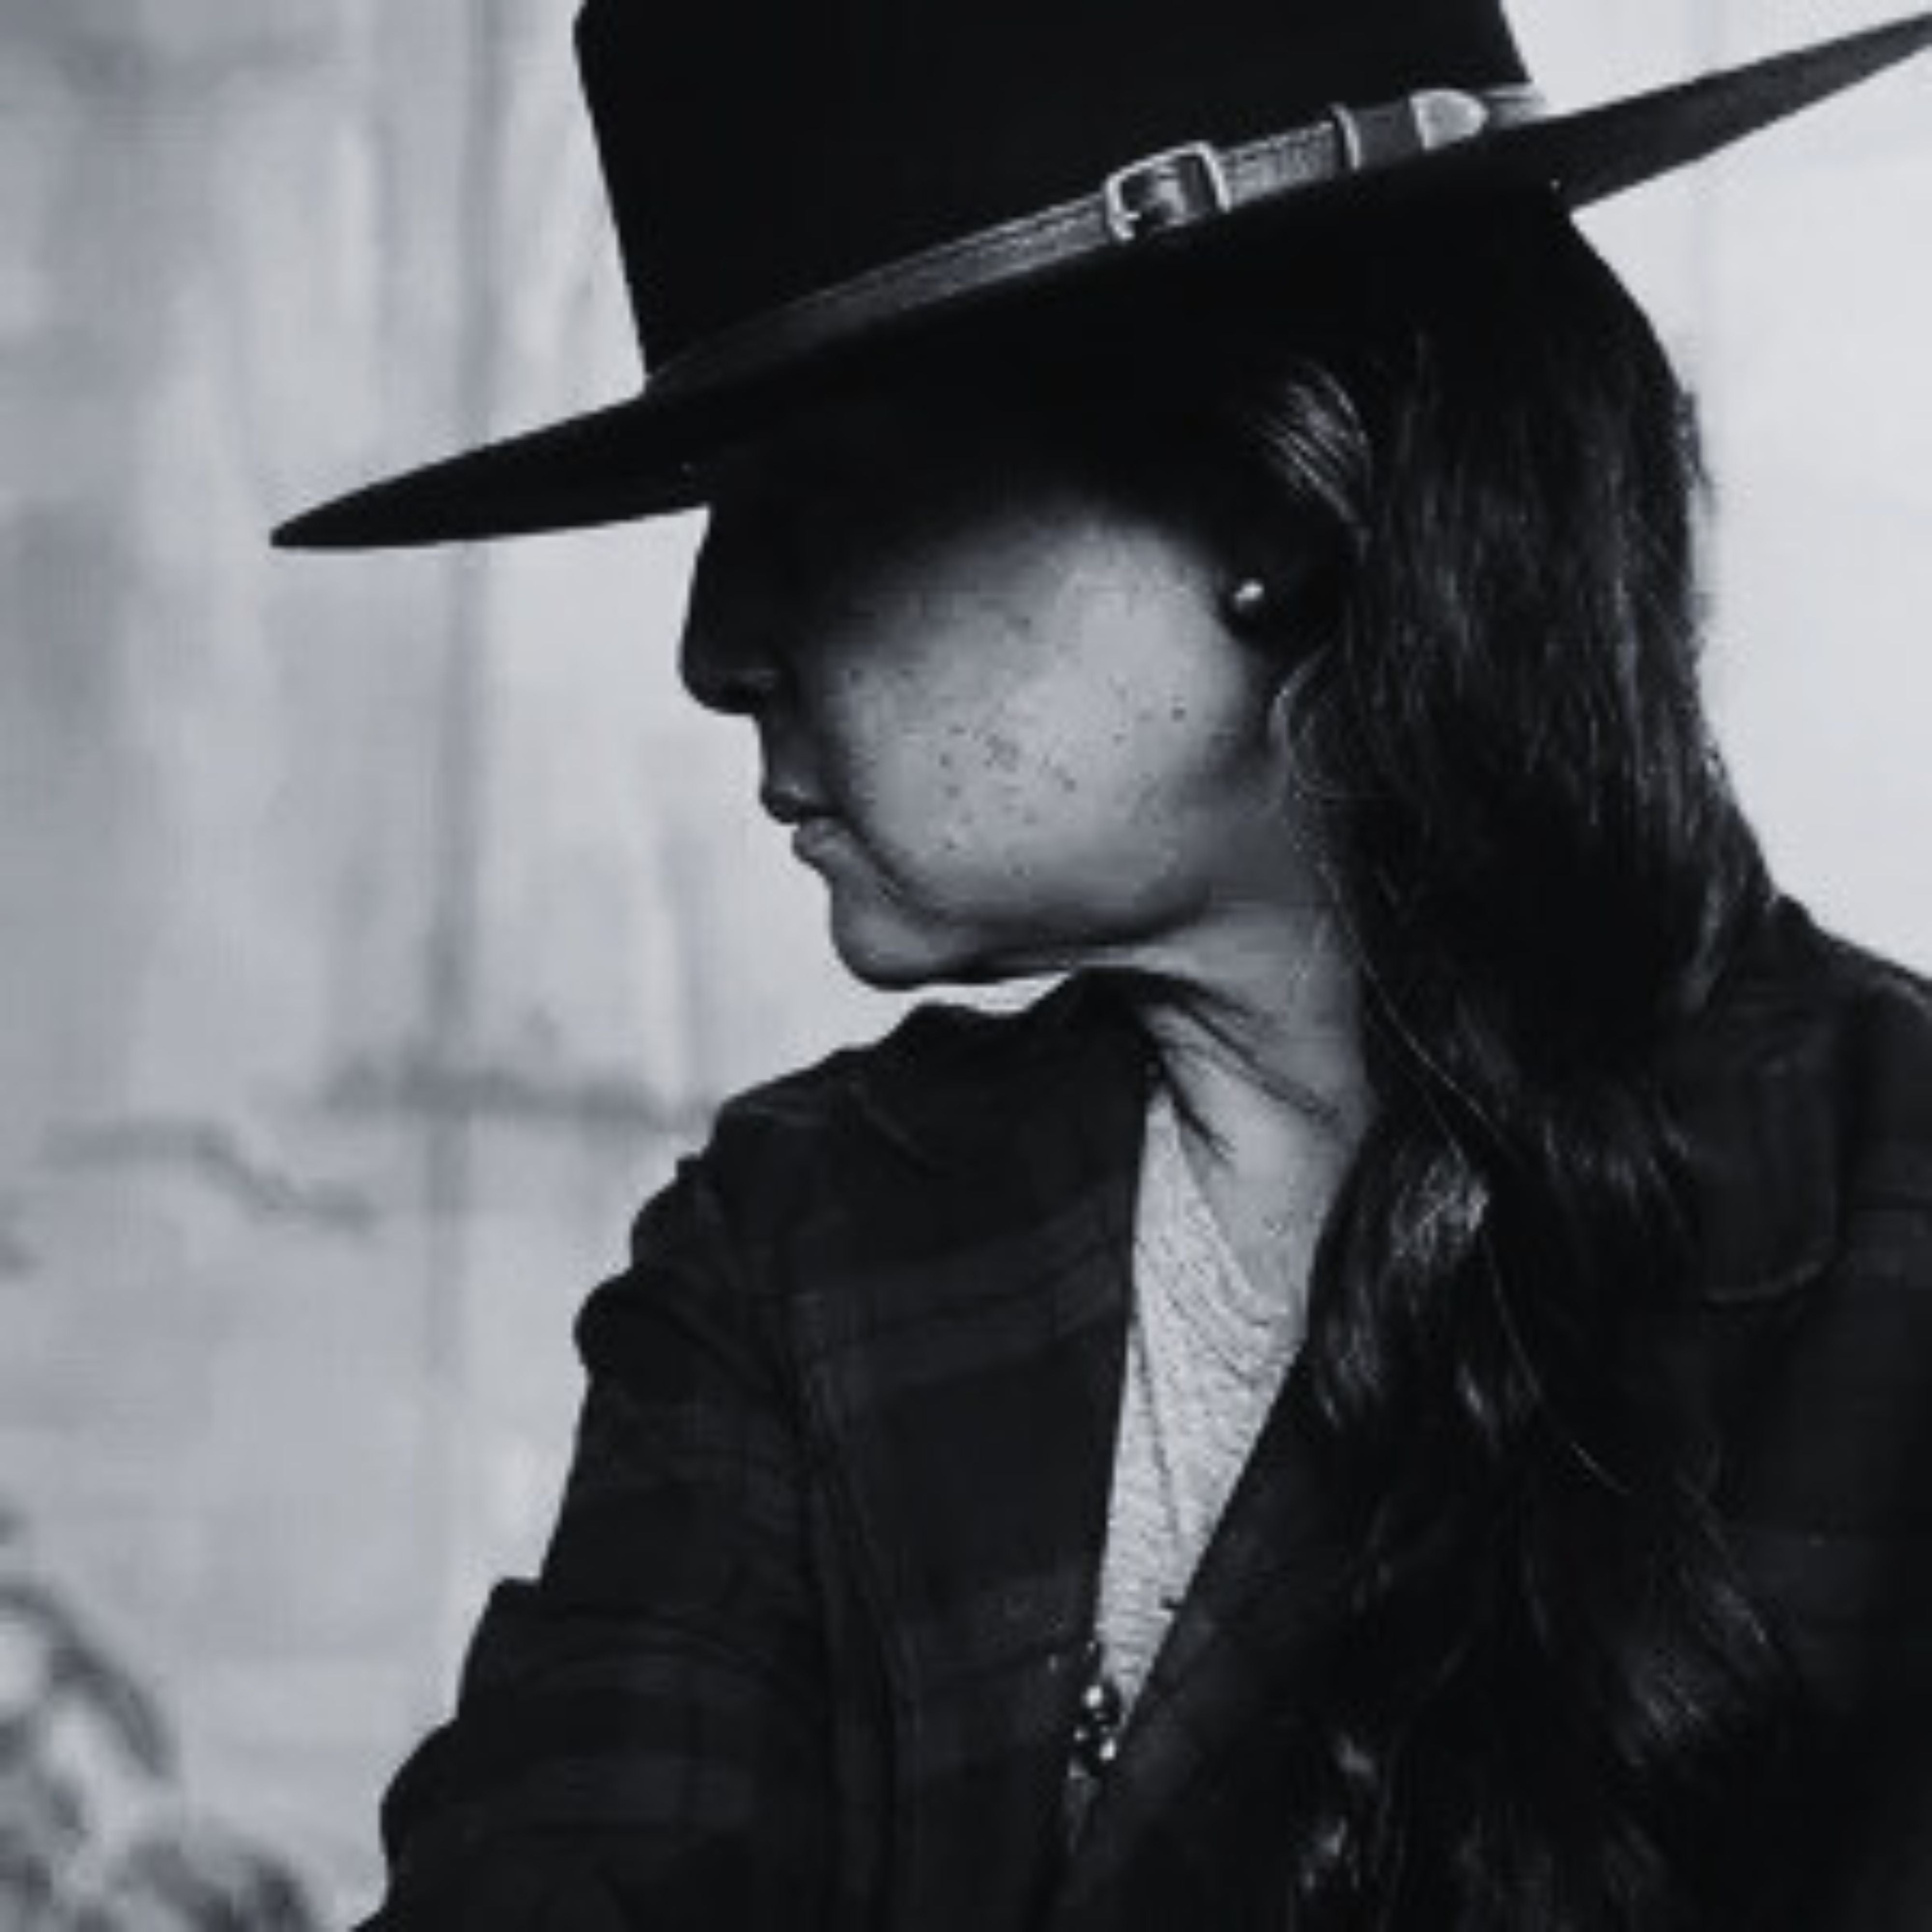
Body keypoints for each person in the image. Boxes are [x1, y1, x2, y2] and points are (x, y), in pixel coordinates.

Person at [278, 1, 1932, 1925]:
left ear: (1277, 502)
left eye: (821, 490)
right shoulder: (795, 1250)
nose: (713, 645)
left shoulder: (1896, 1231)